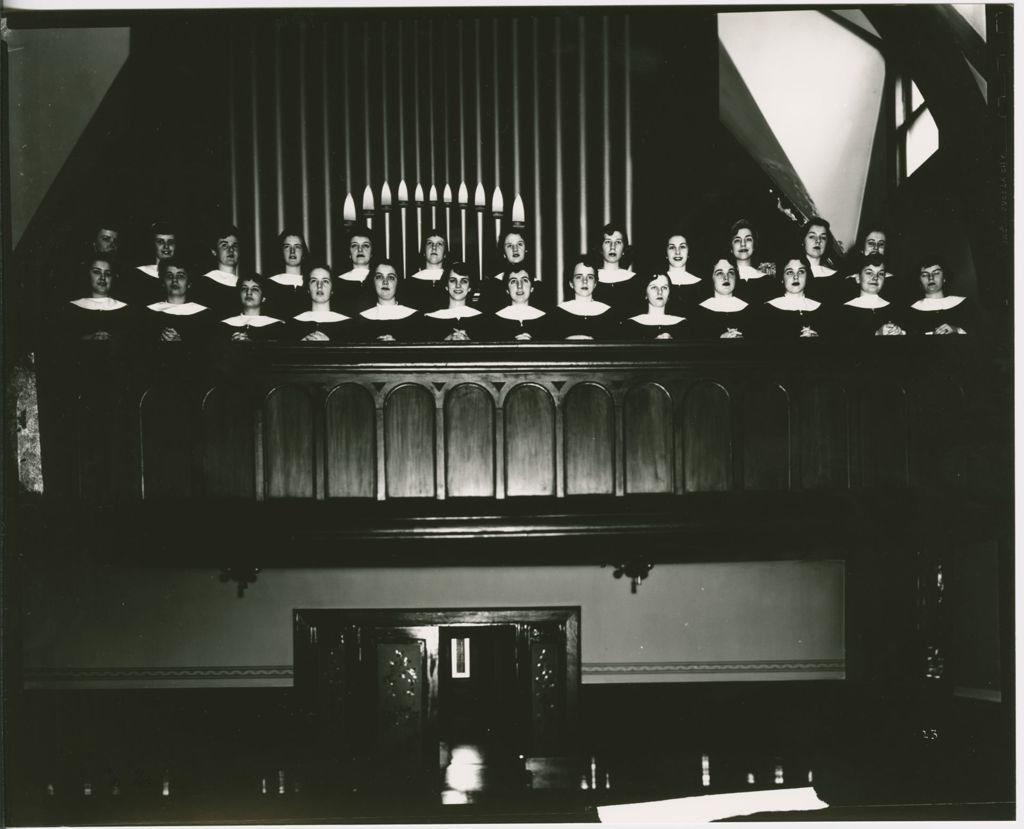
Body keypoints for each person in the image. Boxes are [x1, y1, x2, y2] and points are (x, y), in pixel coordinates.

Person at [835, 253, 907, 338]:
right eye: (869, 273)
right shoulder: (843, 312)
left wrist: (901, 333)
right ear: (858, 278)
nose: (875, 277)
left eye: (880, 274)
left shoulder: (895, 308)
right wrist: (876, 334)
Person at [65, 256, 134, 342]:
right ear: (87, 274)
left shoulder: (126, 309)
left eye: (108, 274)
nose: (103, 277)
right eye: (97, 272)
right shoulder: (71, 308)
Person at [144, 258, 213, 343]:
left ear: (189, 284)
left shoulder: (205, 316)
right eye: (169, 276)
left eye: (180, 276)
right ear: (163, 282)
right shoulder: (148, 314)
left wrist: (180, 343)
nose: (174, 280)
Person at [549, 255, 614, 340]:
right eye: (579, 277)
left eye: (590, 277)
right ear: (571, 283)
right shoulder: (556, 314)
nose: (585, 281)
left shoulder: (609, 314)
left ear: (595, 284)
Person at [760, 254, 827, 339]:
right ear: (782, 278)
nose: (796, 277)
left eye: (801, 271)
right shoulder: (766, 310)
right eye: (790, 272)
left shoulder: (822, 309)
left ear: (807, 276)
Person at [907, 254, 975, 336]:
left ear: (944, 278)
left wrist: (957, 330)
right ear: (919, 281)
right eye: (924, 275)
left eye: (936, 273)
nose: (930, 278)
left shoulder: (965, 305)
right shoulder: (910, 312)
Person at [355, 260, 419, 342]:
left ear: (398, 283)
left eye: (391, 277)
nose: (385, 282)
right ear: (373, 282)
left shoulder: (415, 319)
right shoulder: (360, 320)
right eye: (379, 277)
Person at [421, 261, 485, 342]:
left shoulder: (483, 320)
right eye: (452, 280)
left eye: (464, 281)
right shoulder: (429, 320)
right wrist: (444, 343)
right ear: (446, 286)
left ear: (470, 288)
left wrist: (470, 343)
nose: (458, 285)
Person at [691, 256, 753, 339]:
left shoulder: (751, 310)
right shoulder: (697, 313)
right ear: (711, 277)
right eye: (719, 273)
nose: (726, 277)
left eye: (731, 272)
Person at [289, 263, 353, 342]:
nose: (319, 285)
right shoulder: (292, 324)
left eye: (325, 281)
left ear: (332, 289)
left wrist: (330, 344)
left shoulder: (348, 325)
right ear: (308, 289)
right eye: (314, 281)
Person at [476, 228, 530, 313]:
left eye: (519, 244)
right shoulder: (491, 287)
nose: (515, 249)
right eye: (509, 246)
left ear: (526, 249)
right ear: (504, 253)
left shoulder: (538, 286)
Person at [621, 273, 688, 340]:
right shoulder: (631, 325)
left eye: (664, 288)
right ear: (645, 293)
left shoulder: (683, 324)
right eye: (654, 287)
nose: (660, 292)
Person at [219, 274, 284, 341]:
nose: (248, 292)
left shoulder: (277, 326)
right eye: (244, 288)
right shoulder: (224, 326)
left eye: (255, 289)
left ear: (263, 298)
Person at [593, 222, 639, 315]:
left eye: (618, 242)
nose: (612, 247)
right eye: (608, 242)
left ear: (624, 249)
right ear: (600, 249)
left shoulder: (636, 280)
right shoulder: (591, 278)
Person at [197, 225, 243, 316]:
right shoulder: (203, 285)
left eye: (235, 245)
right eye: (224, 245)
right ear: (214, 251)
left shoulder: (245, 286)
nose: (231, 249)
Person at [491, 269, 550, 341]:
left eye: (525, 280)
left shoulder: (548, 321)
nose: (519, 286)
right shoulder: (492, 322)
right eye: (513, 281)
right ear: (507, 290)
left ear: (532, 288)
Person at [266, 229, 310, 318]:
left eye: (297, 247)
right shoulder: (269, 284)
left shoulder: (311, 283)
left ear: (303, 253)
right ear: (281, 252)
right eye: (287, 246)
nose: (292, 251)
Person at [728, 219, 773, 305]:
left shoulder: (767, 279)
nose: (743, 244)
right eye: (737, 240)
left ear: (754, 245)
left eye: (748, 239)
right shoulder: (726, 279)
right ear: (731, 248)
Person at [404, 229, 450, 312]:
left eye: (440, 244)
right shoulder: (408, 284)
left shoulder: (452, 280)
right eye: (429, 243)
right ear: (424, 252)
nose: (434, 247)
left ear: (445, 254)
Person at [660, 232, 705, 315]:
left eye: (682, 247)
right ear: (666, 253)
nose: (677, 252)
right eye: (672, 247)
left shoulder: (701, 284)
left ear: (689, 252)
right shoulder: (657, 282)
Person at [334, 224, 374, 315]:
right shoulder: (337, 282)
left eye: (366, 246)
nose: (360, 249)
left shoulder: (379, 280)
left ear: (372, 252)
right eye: (354, 246)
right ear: (349, 252)